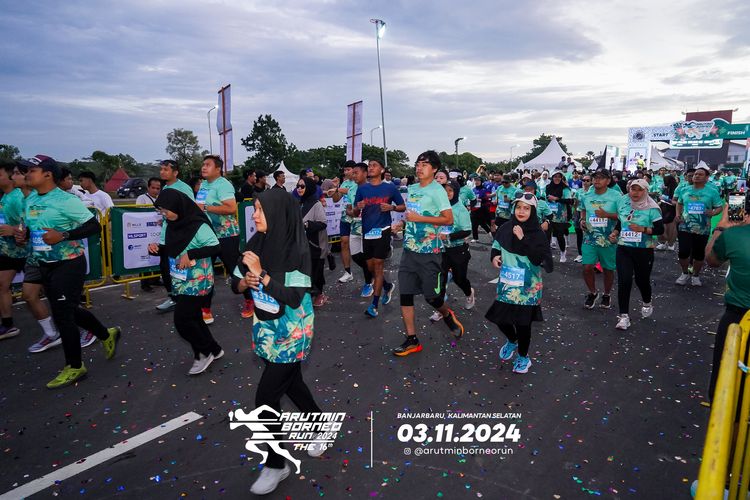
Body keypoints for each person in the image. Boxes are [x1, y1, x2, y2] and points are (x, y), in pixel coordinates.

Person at [231, 189, 322, 495]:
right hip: (265, 329)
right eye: (254, 209)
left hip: (292, 332)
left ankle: (275, 464)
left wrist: (262, 275)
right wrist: (245, 282)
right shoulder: (256, 242)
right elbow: (234, 281)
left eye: (260, 210)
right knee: (292, 384)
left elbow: (294, 296)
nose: (254, 215)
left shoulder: (298, 249)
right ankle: (319, 427)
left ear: (278, 214)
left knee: (265, 399)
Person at [16, 155, 120, 388]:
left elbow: (93, 225)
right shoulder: (31, 199)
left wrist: (63, 235)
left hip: (68, 264)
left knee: (63, 316)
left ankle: (75, 366)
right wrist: (24, 235)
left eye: (32, 170)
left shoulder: (66, 200)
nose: (27, 174)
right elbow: (34, 227)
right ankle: (106, 334)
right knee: (68, 310)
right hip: (44, 263)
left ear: (47, 174)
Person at [391, 151, 464, 356]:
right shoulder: (413, 188)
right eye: (418, 164)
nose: (419, 167)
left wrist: (419, 219)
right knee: (405, 294)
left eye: (424, 164)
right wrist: (402, 224)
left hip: (430, 251)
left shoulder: (437, 190)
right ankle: (412, 340)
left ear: (434, 169)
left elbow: (448, 219)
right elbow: (412, 216)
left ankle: (447, 314)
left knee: (432, 297)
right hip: (409, 250)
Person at [154, 189, 223, 374]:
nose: (164, 214)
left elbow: (215, 247)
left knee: (182, 320)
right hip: (180, 279)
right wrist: (154, 248)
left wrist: (191, 254)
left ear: (178, 206)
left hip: (198, 280)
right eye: (161, 210)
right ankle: (214, 349)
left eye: (166, 210)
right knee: (193, 317)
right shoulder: (170, 224)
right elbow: (166, 247)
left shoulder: (197, 225)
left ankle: (203, 352)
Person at [487, 193, 552, 374]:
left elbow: (539, 259)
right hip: (507, 284)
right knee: (499, 318)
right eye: (518, 207)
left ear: (533, 211)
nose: (521, 211)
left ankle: (524, 357)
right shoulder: (506, 227)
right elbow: (496, 246)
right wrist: (494, 257)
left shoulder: (538, 233)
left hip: (527, 288)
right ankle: (512, 340)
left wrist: (523, 239)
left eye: (526, 208)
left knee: (523, 324)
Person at [197, 155, 254, 320]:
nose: (203, 167)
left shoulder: (223, 184)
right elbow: (198, 207)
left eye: (208, 165)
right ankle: (205, 309)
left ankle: (250, 300)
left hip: (226, 235)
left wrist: (206, 207)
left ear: (217, 169)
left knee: (234, 269)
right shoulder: (203, 185)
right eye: (203, 164)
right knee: (205, 270)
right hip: (207, 235)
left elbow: (230, 208)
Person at [705, 203, 750, 402]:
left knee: (723, 378)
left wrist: (722, 227)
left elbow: (711, 260)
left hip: (737, 316)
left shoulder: (733, 235)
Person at [352, 158, 405, 318]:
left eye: (374, 165)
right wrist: (358, 208)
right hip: (367, 232)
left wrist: (392, 207)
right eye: (369, 165)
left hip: (383, 231)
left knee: (378, 266)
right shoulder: (362, 189)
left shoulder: (390, 188)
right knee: (370, 267)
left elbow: (402, 206)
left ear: (382, 170)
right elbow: (354, 212)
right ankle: (387, 286)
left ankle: (374, 305)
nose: (370, 168)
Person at [610, 179, 664, 330]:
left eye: (640, 190)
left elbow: (660, 230)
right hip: (624, 248)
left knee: (642, 280)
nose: (635, 193)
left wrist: (643, 229)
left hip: (643, 250)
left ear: (645, 191)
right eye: (633, 189)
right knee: (624, 280)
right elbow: (621, 222)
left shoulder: (652, 208)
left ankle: (647, 301)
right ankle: (623, 316)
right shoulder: (623, 202)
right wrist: (615, 233)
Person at [149, 160, 196, 312]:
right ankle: (172, 297)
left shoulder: (184, 188)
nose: (162, 172)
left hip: (179, 235)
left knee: (180, 268)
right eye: (161, 169)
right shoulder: (165, 188)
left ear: (175, 172)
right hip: (165, 235)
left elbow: (191, 210)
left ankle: (186, 297)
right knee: (165, 268)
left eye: (166, 169)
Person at [674, 164, 724, 287]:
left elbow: (719, 207)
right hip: (685, 226)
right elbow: (679, 203)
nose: (696, 176)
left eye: (700, 174)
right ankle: (684, 273)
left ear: (707, 178)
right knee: (683, 252)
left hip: (703, 227)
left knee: (699, 253)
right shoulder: (685, 189)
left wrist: (713, 212)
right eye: (695, 174)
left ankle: (695, 275)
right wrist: (678, 214)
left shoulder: (712, 192)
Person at [431, 181, 474, 320]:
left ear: (456, 192)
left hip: (458, 250)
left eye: (450, 190)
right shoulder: (440, 207)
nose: (447, 193)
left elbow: (467, 231)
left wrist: (449, 236)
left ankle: (469, 293)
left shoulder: (460, 209)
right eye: (445, 190)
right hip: (442, 249)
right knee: (440, 280)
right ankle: (441, 309)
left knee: (459, 279)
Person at [579, 169, 621, 309]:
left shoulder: (616, 196)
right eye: (595, 177)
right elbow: (583, 209)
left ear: (608, 181)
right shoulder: (586, 195)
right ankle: (592, 293)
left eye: (601, 177)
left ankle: (607, 294)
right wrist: (582, 220)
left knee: (608, 269)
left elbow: (623, 215)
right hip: (590, 237)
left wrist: (607, 215)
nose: (597, 180)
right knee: (587, 267)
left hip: (608, 238)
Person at [296, 177, 329, 307]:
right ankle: (307, 294)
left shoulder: (316, 204)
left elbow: (323, 223)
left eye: (302, 186)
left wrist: (307, 225)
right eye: (298, 186)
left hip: (316, 245)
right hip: (302, 245)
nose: (299, 189)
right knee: (304, 271)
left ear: (309, 188)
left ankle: (320, 294)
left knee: (316, 271)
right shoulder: (298, 203)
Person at [344, 163, 374, 296]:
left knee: (367, 256)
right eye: (353, 173)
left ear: (365, 173)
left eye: (356, 173)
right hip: (355, 226)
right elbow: (349, 208)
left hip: (369, 227)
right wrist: (351, 212)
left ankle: (368, 283)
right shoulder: (351, 190)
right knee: (355, 256)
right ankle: (376, 274)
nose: (354, 175)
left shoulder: (373, 188)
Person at [333, 161, 357, 283]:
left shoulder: (359, 182)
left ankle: (370, 273)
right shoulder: (344, 183)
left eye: (348, 169)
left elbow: (350, 192)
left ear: (354, 170)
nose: (346, 172)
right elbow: (336, 199)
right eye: (345, 170)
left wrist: (339, 188)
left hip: (357, 217)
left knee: (362, 246)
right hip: (344, 216)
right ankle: (348, 272)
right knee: (344, 242)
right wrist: (336, 188)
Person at [545, 170, 574, 262]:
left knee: (559, 235)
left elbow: (570, 201)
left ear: (561, 178)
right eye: (555, 176)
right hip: (549, 214)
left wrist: (556, 199)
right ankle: (546, 255)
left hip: (561, 216)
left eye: (559, 176)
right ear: (552, 177)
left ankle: (563, 253)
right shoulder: (548, 187)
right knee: (547, 235)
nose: (557, 178)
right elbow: (545, 198)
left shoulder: (565, 188)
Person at [656, 174, 678, 251]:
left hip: (672, 210)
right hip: (664, 209)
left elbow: (676, 202)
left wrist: (667, 200)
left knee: (672, 227)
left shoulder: (675, 189)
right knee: (663, 226)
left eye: (665, 181)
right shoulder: (666, 189)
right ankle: (663, 242)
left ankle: (671, 243)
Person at [572, 174, 592, 263]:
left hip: (589, 214)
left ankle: (589, 255)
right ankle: (580, 254)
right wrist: (574, 213)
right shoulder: (578, 191)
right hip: (578, 213)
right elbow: (575, 204)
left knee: (589, 234)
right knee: (579, 234)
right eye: (584, 180)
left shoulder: (593, 192)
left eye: (588, 180)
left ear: (591, 182)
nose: (585, 182)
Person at [470, 176, 492, 242]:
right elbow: (470, 198)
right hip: (474, 209)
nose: (476, 182)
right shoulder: (473, 190)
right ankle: (475, 238)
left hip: (483, 209)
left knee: (485, 222)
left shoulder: (485, 189)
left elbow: (489, 198)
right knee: (474, 224)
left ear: (481, 182)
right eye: (475, 180)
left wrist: (482, 199)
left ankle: (493, 234)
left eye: (478, 180)